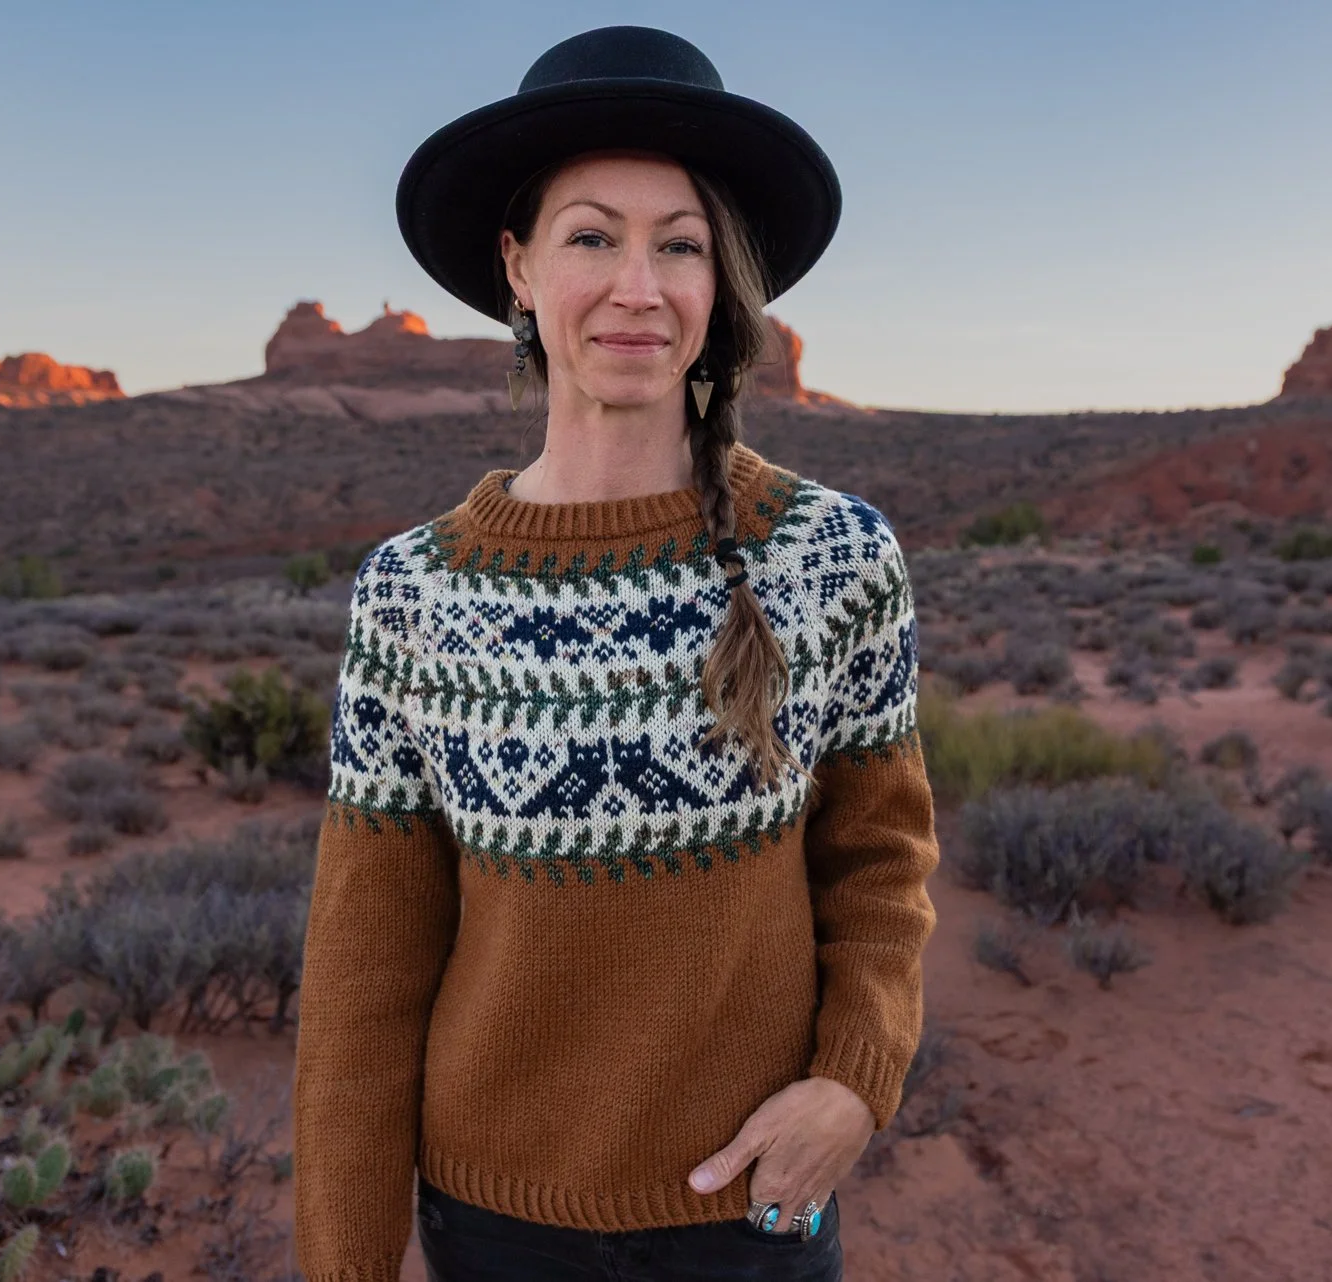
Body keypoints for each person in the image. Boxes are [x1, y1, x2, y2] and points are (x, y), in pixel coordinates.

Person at [292, 25, 939, 1282]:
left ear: (721, 285)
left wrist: (856, 1082)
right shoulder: (414, 591)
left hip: (756, 1212)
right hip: (495, 1227)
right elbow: (363, 980)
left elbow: (881, 861)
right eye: (592, 236)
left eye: (679, 244)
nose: (638, 286)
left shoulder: (834, 555)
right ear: (518, 268)